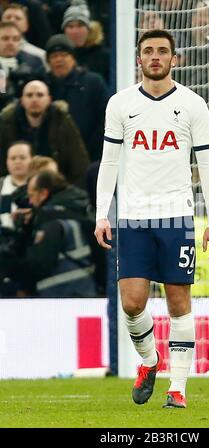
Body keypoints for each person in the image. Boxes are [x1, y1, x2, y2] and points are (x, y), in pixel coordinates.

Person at [94, 29, 209, 408]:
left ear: (174, 59)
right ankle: (150, 362)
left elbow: (207, 165)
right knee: (132, 303)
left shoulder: (193, 104)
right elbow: (110, 162)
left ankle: (178, 389)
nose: (155, 56)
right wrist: (103, 214)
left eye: (162, 51)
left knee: (179, 302)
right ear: (139, 58)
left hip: (177, 217)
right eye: (148, 50)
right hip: (132, 218)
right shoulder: (120, 104)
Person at [1, 169, 98, 297]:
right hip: (85, 290)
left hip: (62, 296)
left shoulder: (51, 222)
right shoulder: (74, 212)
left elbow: (40, 265)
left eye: (31, 195)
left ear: (44, 193)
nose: (30, 202)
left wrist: (7, 264)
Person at [0, 80, 90, 187]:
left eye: (40, 95)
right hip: (14, 186)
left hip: (55, 186)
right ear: (22, 100)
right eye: (29, 95)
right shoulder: (7, 123)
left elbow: (79, 162)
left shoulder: (62, 121)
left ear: (49, 99)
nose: (34, 100)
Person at [44, 33, 109, 162]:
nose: (59, 60)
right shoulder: (42, 87)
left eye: (64, 55)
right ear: (48, 62)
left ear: (73, 58)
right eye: (54, 56)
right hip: (50, 159)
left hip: (90, 156)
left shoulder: (93, 82)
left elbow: (105, 119)